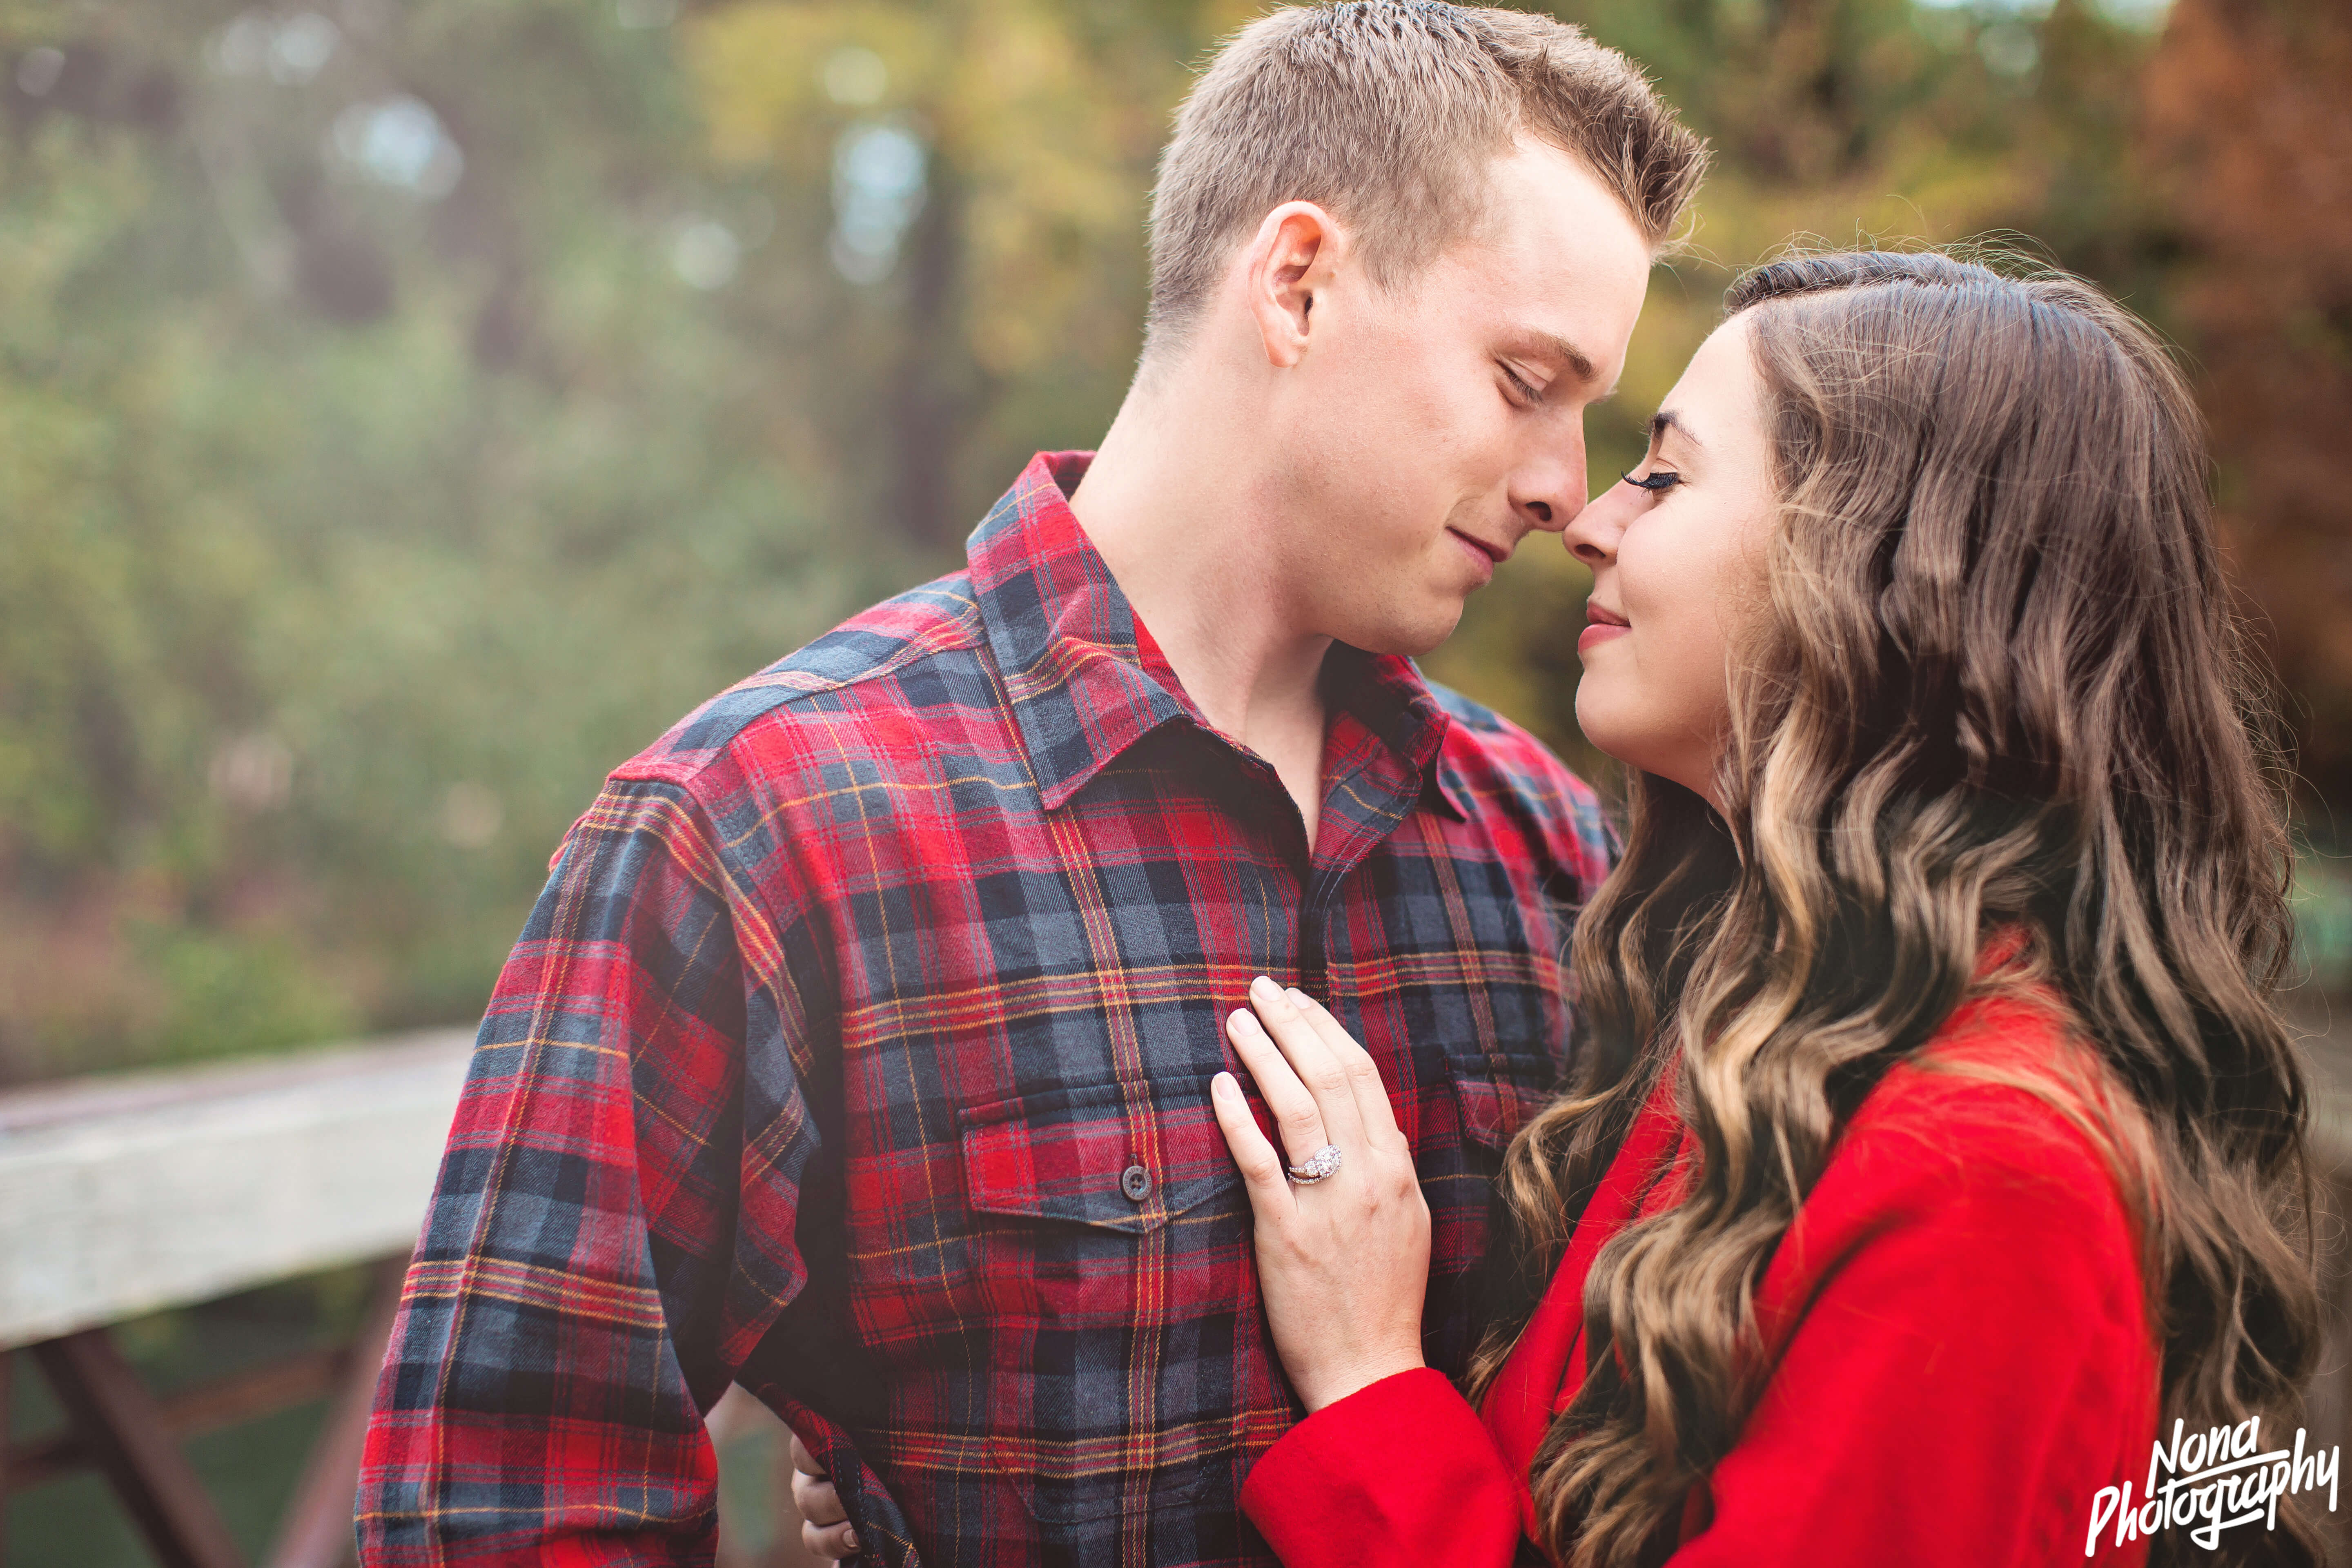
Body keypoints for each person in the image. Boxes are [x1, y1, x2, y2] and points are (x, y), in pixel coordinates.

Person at [354, 4, 1707, 1566]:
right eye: (1527, 380)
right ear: (1298, 283)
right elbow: (502, 1509)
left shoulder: (1547, 846)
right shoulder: (761, 825)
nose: (1564, 488)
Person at [1197, 251, 2326, 1567]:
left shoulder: (1986, 1167)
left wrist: (1371, 1388)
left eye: (1667, 476)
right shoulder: (1767, 1040)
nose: (1589, 521)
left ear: (1882, 572)